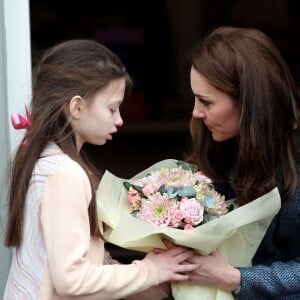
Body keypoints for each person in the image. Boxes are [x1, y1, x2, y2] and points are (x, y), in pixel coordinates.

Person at [3, 39, 199, 300]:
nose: (119, 120)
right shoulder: (65, 174)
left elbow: (87, 266)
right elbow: (72, 281)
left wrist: (156, 282)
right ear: (77, 107)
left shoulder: (44, 161)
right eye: (112, 108)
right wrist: (150, 271)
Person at [181, 26, 300, 299]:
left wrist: (235, 278)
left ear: (248, 103)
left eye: (206, 102)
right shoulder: (218, 146)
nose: (196, 112)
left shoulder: (294, 157)